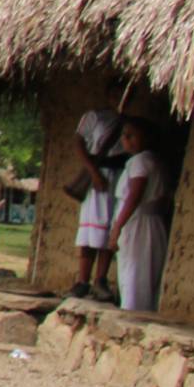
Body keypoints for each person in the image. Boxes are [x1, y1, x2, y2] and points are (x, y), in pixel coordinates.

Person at [107, 119, 171, 313]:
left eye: (131, 135)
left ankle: (132, 313)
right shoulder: (156, 161)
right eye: (124, 136)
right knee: (146, 271)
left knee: (133, 271)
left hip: (137, 223)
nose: (126, 140)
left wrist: (117, 227)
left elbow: (134, 196)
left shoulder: (139, 162)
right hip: (153, 222)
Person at [68, 110, 122, 303]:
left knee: (109, 228)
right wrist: (93, 173)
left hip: (117, 177)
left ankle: (101, 280)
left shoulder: (125, 121)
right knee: (91, 230)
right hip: (97, 176)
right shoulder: (94, 117)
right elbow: (79, 144)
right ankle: (83, 281)